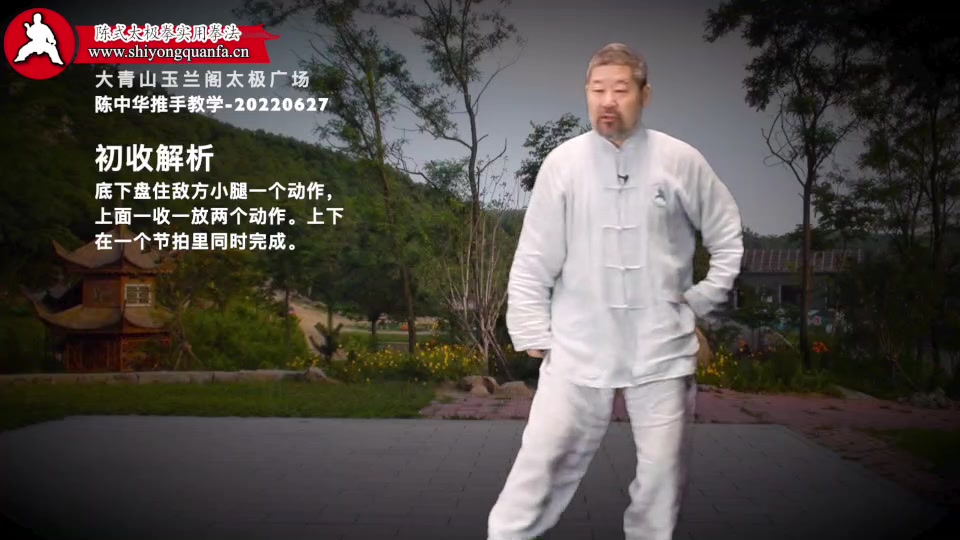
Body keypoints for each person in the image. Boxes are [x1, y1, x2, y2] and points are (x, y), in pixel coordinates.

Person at [487, 43, 744, 540]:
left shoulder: (680, 160)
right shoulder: (563, 163)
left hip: (662, 347)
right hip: (579, 343)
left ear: (644, 95)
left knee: (662, 478)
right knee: (540, 463)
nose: (608, 100)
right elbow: (535, 253)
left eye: (620, 90)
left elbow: (726, 233)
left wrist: (703, 298)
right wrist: (531, 327)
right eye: (597, 89)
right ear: (586, 93)